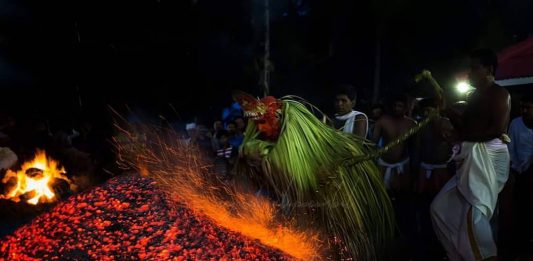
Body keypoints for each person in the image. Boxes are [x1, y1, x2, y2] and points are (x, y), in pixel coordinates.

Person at [431, 49, 511, 261]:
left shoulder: (500, 94)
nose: (470, 72)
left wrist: (462, 137)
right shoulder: (474, 96)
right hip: (472, 157)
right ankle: (460, 255)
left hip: (489, 157)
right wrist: (446, 109)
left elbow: (497, 129)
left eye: (475, 68)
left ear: (489, 70)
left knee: (474, 215)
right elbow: (464, 125)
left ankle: (486, 256)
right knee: (439, 208)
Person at [371, 94, 417, 192]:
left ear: (405, 108)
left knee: (402, 192)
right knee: (380, 191)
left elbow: (415, 146)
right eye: (395, 106)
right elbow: (373, 143)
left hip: (403, 162)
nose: (396, 108)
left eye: (400, 106)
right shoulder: (382, 121)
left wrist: (414, 165)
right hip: (383, 161)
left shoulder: (411, 124)